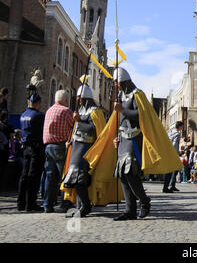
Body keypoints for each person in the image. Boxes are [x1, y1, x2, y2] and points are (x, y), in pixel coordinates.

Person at [86, 67, 182, 221]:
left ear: (123, 81)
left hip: (134, 139)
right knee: (123, 175)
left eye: (117, 82)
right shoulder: (120, 96)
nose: (115, 85)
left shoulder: (137, 95)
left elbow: (140, 115)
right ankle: (129, 210)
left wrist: (122, 109)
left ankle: (144, 202)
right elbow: (118, 120)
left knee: (130, 172)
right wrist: (116, 135)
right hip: (123, 139)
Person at [61, 83, 106, 218]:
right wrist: (70, 140)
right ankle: (79, 206)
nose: (77, 99)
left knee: (79, 178)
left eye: (79, 97)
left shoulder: (94, 112)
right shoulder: (80, 111)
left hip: (86, 148)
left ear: (85, 97)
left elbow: (93, 129)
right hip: (76, 146)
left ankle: (85, 206)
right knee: (74, 178)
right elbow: (76, 128)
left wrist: (79, 121)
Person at [42, 90, 74, 213]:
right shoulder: (66, 111)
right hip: (60, 145)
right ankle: (65, 203)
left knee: (50, 177)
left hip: (48, 146)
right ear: (65, 100)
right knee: (65, 175)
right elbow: (74, 126)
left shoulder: (49, 111)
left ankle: (47, 204)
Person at [17, 94, 45, 211]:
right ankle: (30, 203)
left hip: (26, 147)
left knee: (24, 175)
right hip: (36, 148)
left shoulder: (23, 115)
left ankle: (20, 203)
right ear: (38, 103)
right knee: (33, 176)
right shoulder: (38, 116)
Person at [163, 121, 183, 193]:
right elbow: (174, 144)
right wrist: (175, 153)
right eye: (182, 127)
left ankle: (171, 185)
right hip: (173, 153)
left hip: (167, 152)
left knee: (172, 169)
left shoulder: (170, 132)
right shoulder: (177, 134)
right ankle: (167, 187)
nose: (182, 128)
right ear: (180, 127)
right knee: (172, 170)